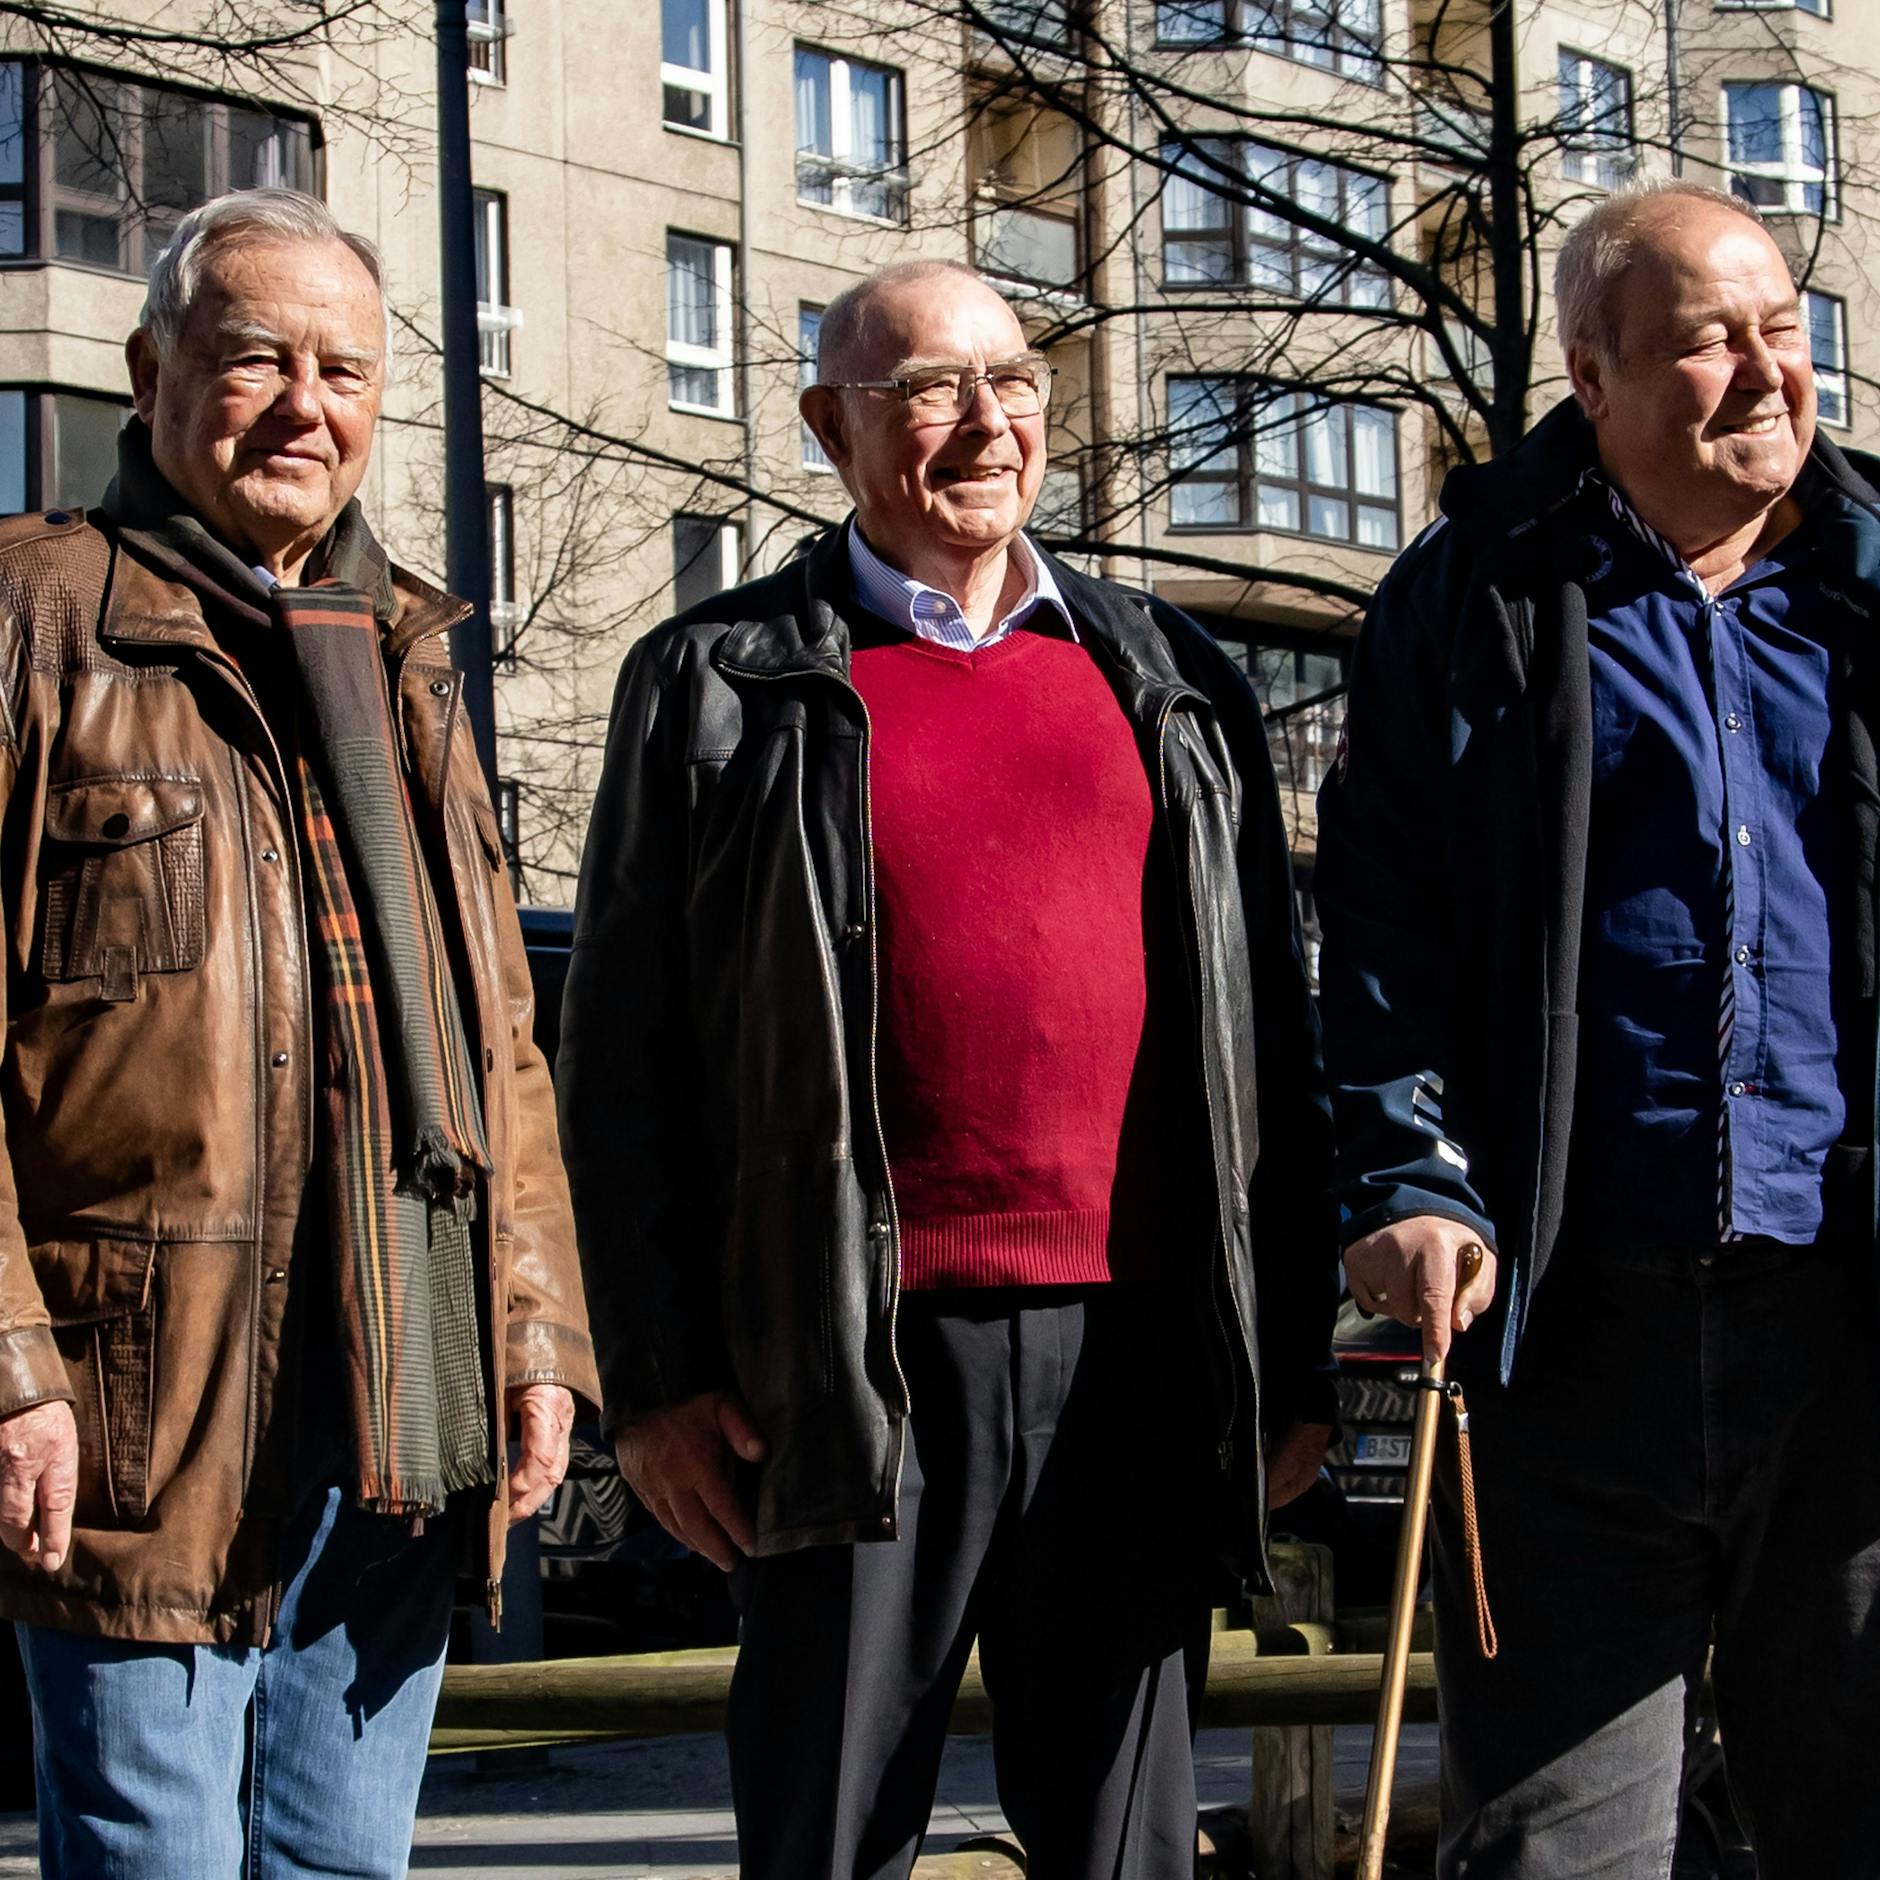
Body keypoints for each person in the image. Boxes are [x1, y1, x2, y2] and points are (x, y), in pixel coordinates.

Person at [558, 257, 1337, 1877]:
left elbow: (1272, 1034)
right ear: (829, 426)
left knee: (1126, 1849)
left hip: (1129, 1352)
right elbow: (619, 1066)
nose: (985, 421)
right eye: (927, 387)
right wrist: (650, 1379)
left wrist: (1289, 1360)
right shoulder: (715, 687)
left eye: (1013, 384)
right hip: (844, 1366)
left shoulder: (1174, 684)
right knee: (831, 1834)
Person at [0, 188, 599, 1878]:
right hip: (147, 1396)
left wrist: (538, 1333)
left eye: (343, 368)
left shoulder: (407, 657)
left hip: (409, 1387)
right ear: (149, 372)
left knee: (346, 1869)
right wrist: (11, 1368)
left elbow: (504, 1048)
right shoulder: (41, 617)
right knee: (155, 1861)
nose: (302, 405)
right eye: (254, 357)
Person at [1316, 177, 1880, 1877]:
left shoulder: (1875, 587)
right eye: (1710, 344)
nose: (1770, 375)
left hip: (1850, 1334)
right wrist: (1408, 1179)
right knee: (1556, 1848)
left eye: (1786, 331)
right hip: (1573, 1336)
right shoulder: (1473, 597)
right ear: (1593, 374)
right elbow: (1388, 925)